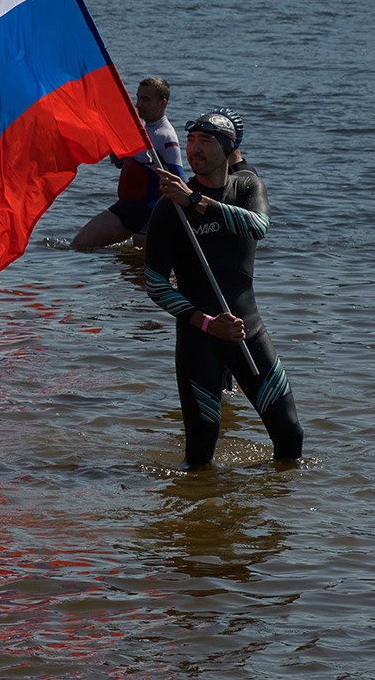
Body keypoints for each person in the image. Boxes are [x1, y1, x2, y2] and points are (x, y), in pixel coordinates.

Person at [143, 111, 302, 468]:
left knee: (290, 436)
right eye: (191, 141)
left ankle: (282, 518)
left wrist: (198, 203)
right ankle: (201, 519)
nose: (194, 149)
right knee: (200, 456)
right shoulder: (170, 207)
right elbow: (154, 283)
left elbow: (258, 226)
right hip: (199, 339)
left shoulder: (245, 187)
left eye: (206, 141)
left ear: (228, 148)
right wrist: (206, 322)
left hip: (250, 333)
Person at [74, 76, 185, 250]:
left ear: (162, 103)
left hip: (149, 213)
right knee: (80, 245)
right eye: (138, 97)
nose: (138, 104)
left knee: (141, 269)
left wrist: (172, 217)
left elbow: (179, 179)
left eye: (146, 99)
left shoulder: (165, 136)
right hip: (125, 209)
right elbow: (120, 162)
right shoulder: (140, 130)